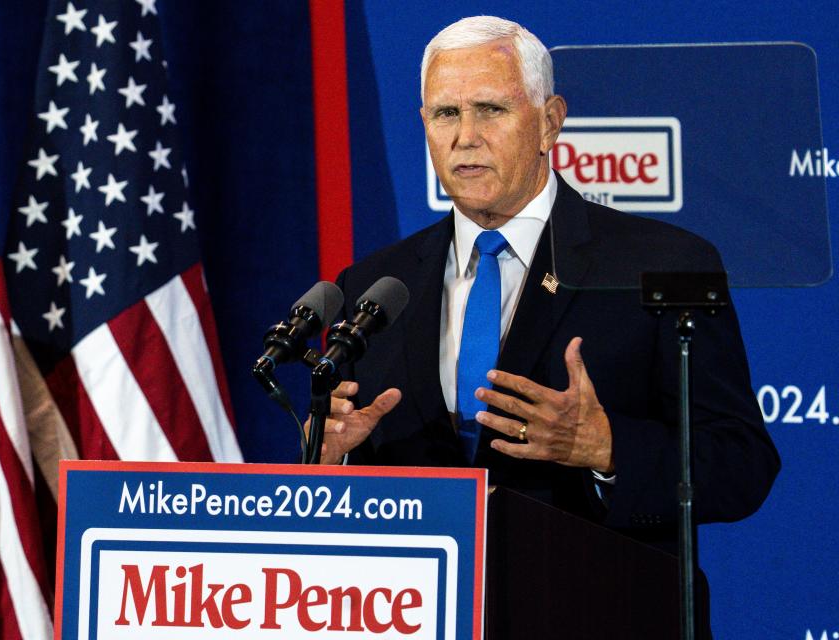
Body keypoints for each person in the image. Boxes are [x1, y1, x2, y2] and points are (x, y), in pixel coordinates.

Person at [318, 16, 779, 552]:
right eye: (446, 113)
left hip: (597, 604)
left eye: (490, 109)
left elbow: (742, 463)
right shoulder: (374, 285)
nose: (466, 136)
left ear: (549, 122)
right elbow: (349, 468)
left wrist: (606, 448)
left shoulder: (663, 264)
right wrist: (333, 461)